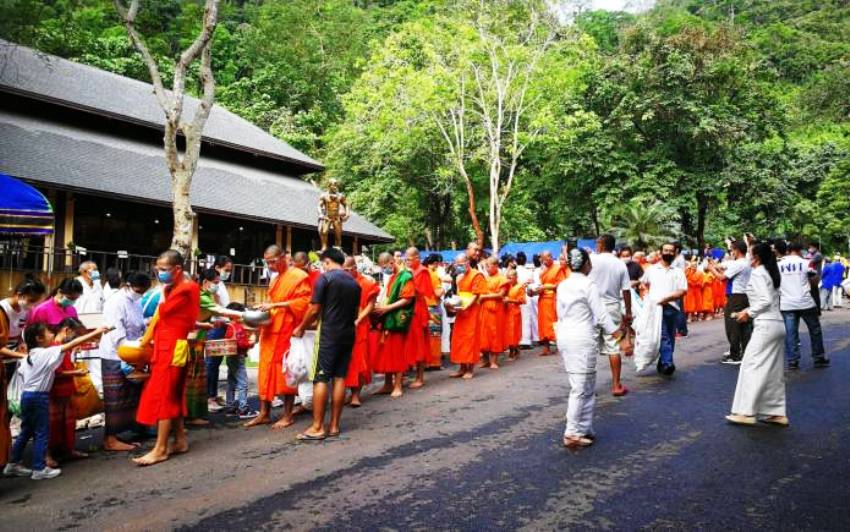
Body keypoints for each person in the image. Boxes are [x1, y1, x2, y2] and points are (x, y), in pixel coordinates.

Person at [4, 322, 107, 480]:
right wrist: (96, 332)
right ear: (39, 339)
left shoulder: (30, 357)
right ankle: (39, 468)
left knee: (26, 431)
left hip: (27, 396)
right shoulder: (45, 353)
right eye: (48, 333)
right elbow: (72, 343)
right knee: (41, 432)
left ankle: (12, 464)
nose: (52, 335)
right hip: (39, 397)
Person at [134, 250, 200, 466]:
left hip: (172, 348)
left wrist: (163, 291)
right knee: (172, 394)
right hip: (169, 346)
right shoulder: (176, 287)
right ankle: (180, 440)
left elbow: (164, 310)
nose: (159, 273)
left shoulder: (184, 288)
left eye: (163, 270)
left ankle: (160, 448)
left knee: (164, 395)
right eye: (158, 269)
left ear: (178, 269)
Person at [556, 248, 625, 449]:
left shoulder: (563, 285)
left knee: (586, 385)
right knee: (581, 387)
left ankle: (583, 428)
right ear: (586, 264)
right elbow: (601, 315)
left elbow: (560, 314)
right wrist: (618, 335)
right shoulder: (588, 285)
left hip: (566, 336)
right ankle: (571, 432)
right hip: (581, 338)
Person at [292, 248, 360, 440]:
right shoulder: (354, 283)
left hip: (329, 334)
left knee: (321, 378)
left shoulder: (325, 278)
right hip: (348, 332)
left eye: (323, 263)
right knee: (340, 377)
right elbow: (355, 313)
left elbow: (314, 309)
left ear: (328, 261)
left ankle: (317, 427)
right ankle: (334, 426)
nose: (322, 267)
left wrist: (301, 327)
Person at [246, 245, 312, 429]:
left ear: (284, 257)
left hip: (286, 331)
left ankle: (287, 415)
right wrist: (264, 305)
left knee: (285, 372)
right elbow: (271, 301)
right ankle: (264, 413)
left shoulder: (299, 276)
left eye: (273, 261)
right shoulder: (275, 280)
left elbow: (304, 303)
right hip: (270, 330)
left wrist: (277, 305)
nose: (271, 266)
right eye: (267, 262)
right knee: (264, 371)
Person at [727, 242, 788, 427]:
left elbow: (765, 300)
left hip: (766, 326)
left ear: (756, 257)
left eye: (750, 253)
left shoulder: (759, 272)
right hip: (776, 324)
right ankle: (776, 412)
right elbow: (767, 300)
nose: (747, 256)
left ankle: (746, 412)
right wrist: (746, 311)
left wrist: (748, 313)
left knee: (751, 366)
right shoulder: (770, 272)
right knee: (773, 371)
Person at [98, 271, 150, 451]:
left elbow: (138, 323)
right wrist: (132, 347)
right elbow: (116, 332)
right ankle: (110, 438)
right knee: (116, 397)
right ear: (127, 285)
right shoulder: (116, 302)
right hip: (115, 353)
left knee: (134, 393)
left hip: (133, 351)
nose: (140, 294)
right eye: (138, 290)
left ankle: (137, 426)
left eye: (143, 291)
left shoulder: (136, 301)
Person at [0, 276, 47, 469]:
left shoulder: (24, 312)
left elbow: (19, 335)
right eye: (31, 300)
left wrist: (21, 347)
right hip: (5, 363)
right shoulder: (2, 310)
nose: (32, 305)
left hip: (12, 364)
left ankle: (9, 458)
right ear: (20, 295)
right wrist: (23, 356)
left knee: (9, 410)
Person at [589, 235, 632, 397]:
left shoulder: (591, 260)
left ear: (600, 245)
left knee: (590, 347)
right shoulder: (620, 264)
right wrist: (628, 312)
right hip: (612, 307)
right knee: (613, 347)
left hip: (592, 308)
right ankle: (616, 385)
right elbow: (626, 290)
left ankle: (588, 389)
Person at [197, 269, 243, 417]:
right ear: (205, 282)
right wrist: (243, 314)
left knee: (206, 368)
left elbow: (214, 314)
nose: (217, 285)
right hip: (192, 339)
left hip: (199, 337)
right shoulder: (201, 296)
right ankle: (205, 402)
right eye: (215, 283)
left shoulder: (206, 295)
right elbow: (219, 311)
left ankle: (198, 408)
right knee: (204, 368)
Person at [776, 241, 829, 370]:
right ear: (800, 251)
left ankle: (793, 361)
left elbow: (775, 284)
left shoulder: (779, 265)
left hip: (787, 304)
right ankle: (818, 357)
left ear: (788, 251)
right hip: (805, 302)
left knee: (791, 333)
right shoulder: (806, 263)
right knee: (815, 330)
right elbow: (814, 281)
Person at [47, 318, 90, 466]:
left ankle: (67, 450)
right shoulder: (54, 347)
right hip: (55, 391)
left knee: (67, 423)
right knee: (52, 424)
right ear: (67, 331)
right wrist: (75, 372)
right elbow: (55, 372)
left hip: (66, 389)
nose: (77, 340)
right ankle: (48, 455)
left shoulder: (64, 347)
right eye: (76, 335)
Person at [641, 243, 688, 375]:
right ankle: (668, 362)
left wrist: (667, 298)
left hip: (672, 307)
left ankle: (663, 361)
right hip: (656, 308)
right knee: (663, 335)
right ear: (660, 252)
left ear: (675, 253)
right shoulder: (652, 269)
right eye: (665, 250)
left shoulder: (678, 271)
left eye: (670, 251)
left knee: (670, 335)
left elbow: (683, 290)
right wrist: (647, 295)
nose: (668, 253)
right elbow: (643, 283)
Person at [372, 252, 414, 398]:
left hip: (397, 319)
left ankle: (398, 385)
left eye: (385, 266)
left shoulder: (406, 276)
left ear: (391, 262)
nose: (384, 270)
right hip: (388, 318)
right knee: (387, 352)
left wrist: (386, 308)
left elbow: (407, 299)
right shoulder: (392, 278)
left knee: (397, 352)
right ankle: (387, 384)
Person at [708, 240, 752, 365]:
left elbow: (722, 278)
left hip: (736, 297)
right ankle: (744, 352)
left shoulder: (738, 263)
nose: (731, 252)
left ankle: (735, 355)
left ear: (737, 250)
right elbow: (726, 275)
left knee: (733, 325)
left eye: (732, 250)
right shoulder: (746, 263)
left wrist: (711, 269)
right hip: (744, 295)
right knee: (744, 325)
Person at [343, 256, 379, 407]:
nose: (344, 273)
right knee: (345, 362)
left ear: (354, 268)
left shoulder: (367, 283)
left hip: (360, 326)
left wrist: (359, 319)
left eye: (347, 270)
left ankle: (356, 395)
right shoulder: (340, 283)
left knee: (358, 361)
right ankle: (345, 392)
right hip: (342, 326)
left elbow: (370, 305)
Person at [447, 253, 487, 379]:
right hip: (461, 311)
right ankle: (462, 367)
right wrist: (454, 305)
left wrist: (466, 306)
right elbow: (459, 295)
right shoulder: (459, 277)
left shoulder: (477, 275)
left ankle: (470, 368)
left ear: (467, 262)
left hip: (472, 311)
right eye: (457, 265)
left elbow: (476, 295)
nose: (459, 267)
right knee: (458, 339)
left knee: (470, 339)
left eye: (461, 264)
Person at [404, 247, 436, 389]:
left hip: (418, 309)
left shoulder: (422, 271)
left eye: (409, 259)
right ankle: (406, 373)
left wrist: (410, 278)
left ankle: (420, 377)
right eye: (406, 259)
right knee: (409, 342)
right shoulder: (409, 271)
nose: (407, 262)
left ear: (417, 258)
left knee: (419, 343)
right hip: (408, 309)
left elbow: (423, 292)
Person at [222, 302, 258, 419]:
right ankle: (243, 409)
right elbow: (241, 343)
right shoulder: (237, 327)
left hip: (230, 357)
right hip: (238, 357)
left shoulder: (229, 326)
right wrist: (250, 343)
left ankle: (230, 407)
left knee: (231, 382)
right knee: (242, 383)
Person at [533, 250, 568, 356]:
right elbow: (541, 284)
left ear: (551, 257)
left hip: (553, 298)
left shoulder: (557, 268)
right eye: (544, 258)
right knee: (543, 324)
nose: (546, 259)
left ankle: (559, 345)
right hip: (543, 299)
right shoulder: (543, 271)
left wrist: (547, 287)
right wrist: (537, 289)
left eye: (548, 257)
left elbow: (561, 284)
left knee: (554, 322)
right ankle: (546, 347)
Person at [479, 256, 509, 369]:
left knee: (494, 333)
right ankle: (485, 359)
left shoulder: (502, 279)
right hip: (484, 309)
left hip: (496, 309)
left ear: (496, 266)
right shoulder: (484, 278)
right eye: (485, 266)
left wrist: (485, 296)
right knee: (483, 333)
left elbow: (501, 295)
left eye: (488, 266)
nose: (486, 268)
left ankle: (494, 361)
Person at [424, 254, 446, 369]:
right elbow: (437, 293)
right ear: (435, 263)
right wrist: (443, 288)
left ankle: (426, 361)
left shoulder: (422, 273)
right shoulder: (433, 275)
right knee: (434, 335)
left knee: (426, 336)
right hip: (433, 308)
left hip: (424, 307)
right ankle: (434, 362)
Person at [515, 252, 539, 349]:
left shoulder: (514, 272)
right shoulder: (528, 272)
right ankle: (527, 340)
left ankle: (520, 340)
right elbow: (532, 285)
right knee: (527, 318)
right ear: (525, 261)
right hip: (526, 296)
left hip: (516, 297)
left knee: (519, 319)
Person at [503, 269, 526, 361]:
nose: (509, 280)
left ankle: (514, 351)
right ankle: (514, 350)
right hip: (507, 311)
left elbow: (522, 300)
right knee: (507, 331)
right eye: (507, 278)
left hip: (515, 311)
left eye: (511, 278)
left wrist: (510, 300)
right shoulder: (508, 286)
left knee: (513, 332)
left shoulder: (520, 287)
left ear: (516, 277)